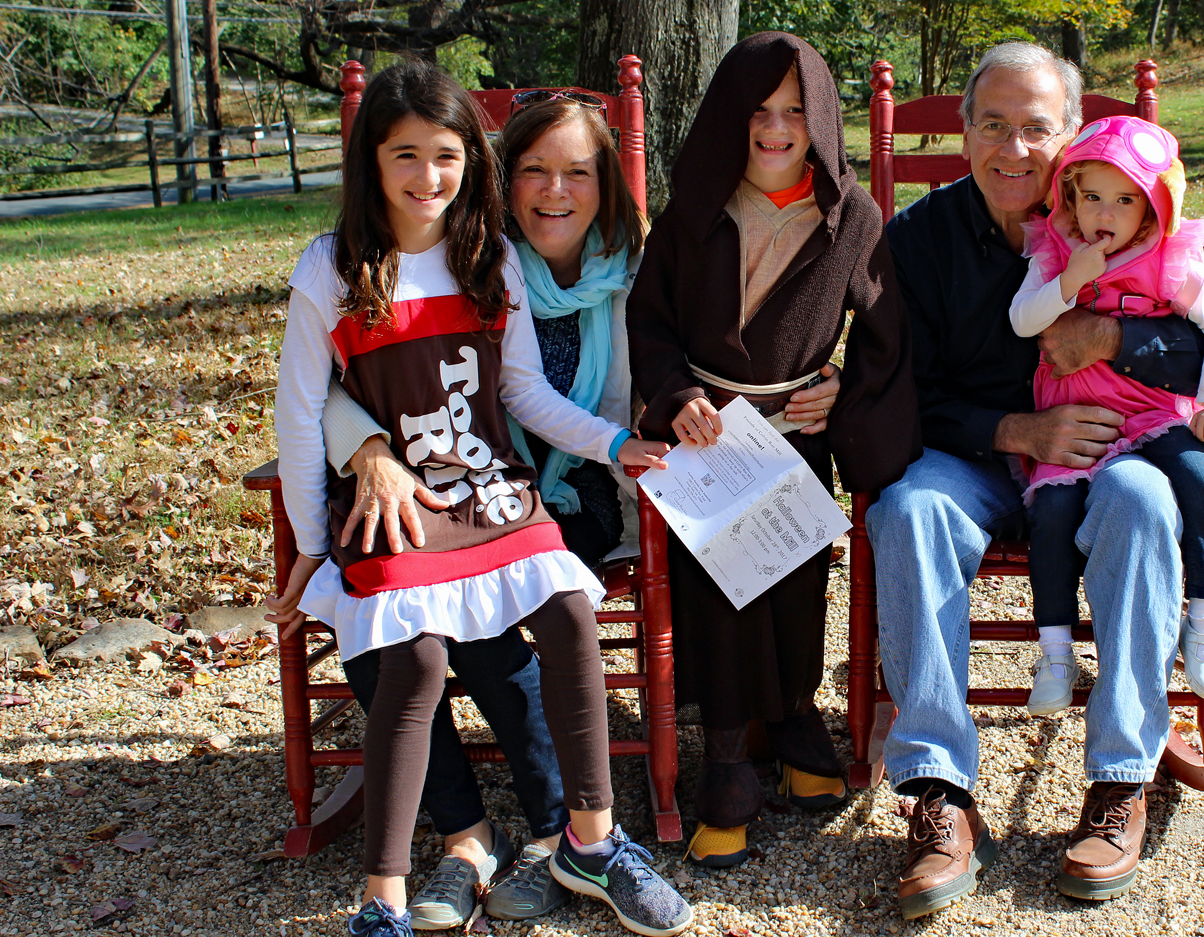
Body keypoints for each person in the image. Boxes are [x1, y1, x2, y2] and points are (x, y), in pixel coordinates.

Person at [317, 89, 844, 923]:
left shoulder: (636, 272)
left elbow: (712, 361)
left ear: (608, 185)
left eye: (579, 173)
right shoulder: (456, 257)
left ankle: (559, 823)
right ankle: (482, 827)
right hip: (441, 478)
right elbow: (342, 370)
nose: (555, 191)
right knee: (385, 621)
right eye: (533, 171)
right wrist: (366, 446)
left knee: (488, 615)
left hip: (578, 488)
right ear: (499, 178)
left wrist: (829, 381)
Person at [264, 60, 691, 937]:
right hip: (399, 503)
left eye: (448, 155)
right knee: (415, 659)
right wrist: (312, 540)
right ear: (371, 162)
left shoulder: (487, 256)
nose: (429, 178)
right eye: (406, 155)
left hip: (491, 484)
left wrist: (615, 443)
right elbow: (301, 412)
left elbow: (524, 392)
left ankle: (592, 840)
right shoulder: (333, 269)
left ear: (471, 161)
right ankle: (381, 896)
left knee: (570, 604)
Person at [864, 42, 1204, 916]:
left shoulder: (1122, 210)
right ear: (965, 135)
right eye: (993, 125)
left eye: (1037, 128)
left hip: (1110, 456)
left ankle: (1120, 777)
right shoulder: (918, 243)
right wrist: (1016, 427)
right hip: (974, 460)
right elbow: (893, 395)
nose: (1014, 150)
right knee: (906, 511)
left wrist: (1119, 341)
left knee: (1146, 498)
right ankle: (940, 792)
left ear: (1074, 134)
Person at [625, 31, 919, 869]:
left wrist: (842, 386)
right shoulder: (692, 210)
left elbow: (887, 334)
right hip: (703, 437)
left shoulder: (852, 216)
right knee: (720, 592)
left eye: (796, 112)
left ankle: (795, 727)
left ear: (820, 122)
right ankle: (725, 762)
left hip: (792, 440)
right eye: (760, 111)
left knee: (797, 586)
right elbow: (648, 320)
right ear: (731, 117)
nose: (777, 128)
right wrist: (675, 395)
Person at [1009, 115, 1204, 715]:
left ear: (1153, 206)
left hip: (1151, 412)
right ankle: (1056, 652)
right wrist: (1071, 281)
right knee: (1054, 514)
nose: (1104, 215)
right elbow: (1023, 321)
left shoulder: (1170, 260)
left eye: (1125, 199)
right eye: (1091, 198)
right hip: (1073, 415)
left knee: (1201, 479)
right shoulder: (1055, 251)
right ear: (1069, 196)